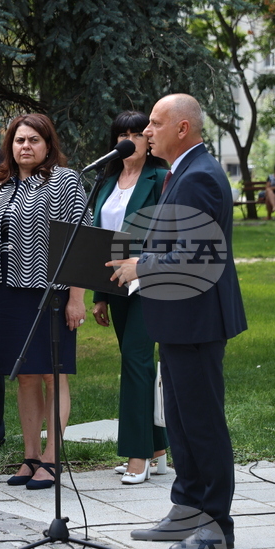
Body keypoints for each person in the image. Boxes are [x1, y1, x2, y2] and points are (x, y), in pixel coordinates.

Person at [111, 94, 246, 549]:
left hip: (198, 320)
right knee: (182, 424)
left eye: (154, 123)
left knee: (201, 423)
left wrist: (141, 266)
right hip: (177, 319)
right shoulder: (183, 171)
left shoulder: (201, 176)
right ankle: (185, 509)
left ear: (182, 128)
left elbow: (197, 253)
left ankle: (214, 522)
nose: (146, 131)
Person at [0, 113, 88, 491]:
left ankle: (53, 459)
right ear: (10, 144)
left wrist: (76, 299)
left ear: (47, 144)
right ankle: (30, 456)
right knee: (23, 375)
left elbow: (81, 241)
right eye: (20, 140)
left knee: (51, 372)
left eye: (34, 140)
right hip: (7, 292)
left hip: (51, 292)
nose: (26, 146)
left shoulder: (64, 181)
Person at [89, 111, 169, 484]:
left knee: (136, 363)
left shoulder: (160, 177)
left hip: (150, 281)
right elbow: (111, 237)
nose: (131, 139)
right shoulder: (108, 181)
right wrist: (100, 295)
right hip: (117, 284)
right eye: (123, 134)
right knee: (135, 362)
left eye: (138, 133)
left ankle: (137, 455)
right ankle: (157, 447)